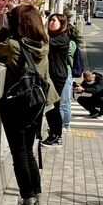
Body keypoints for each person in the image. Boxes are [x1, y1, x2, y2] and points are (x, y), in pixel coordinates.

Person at [0, 5, 58, 205]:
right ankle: (37, 196)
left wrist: (5, 30)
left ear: (18, 23)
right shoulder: (44, 44)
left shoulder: (13, 45)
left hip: (17, 105)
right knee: (29, 151)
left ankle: (27, 199)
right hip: (38, 103)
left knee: (19, 154)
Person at [42, 13, 70, 147]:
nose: (50, 22)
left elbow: (45, 41)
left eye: (53, 20)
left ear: (61, 24)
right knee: (49, 106)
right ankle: (53, 133)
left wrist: (40, 25)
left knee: (53, 106)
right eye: (50, 20)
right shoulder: (54, 36)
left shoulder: (62, 38)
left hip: (57, 76)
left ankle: (56, 136)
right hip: (51, 75)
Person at [60, 22, 78, 131]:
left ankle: (65, 124)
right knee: (62, 102)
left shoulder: (71, 44)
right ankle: (62, 123)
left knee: (65, 102)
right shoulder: (70, 43)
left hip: (66, 74)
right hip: (62, 74)